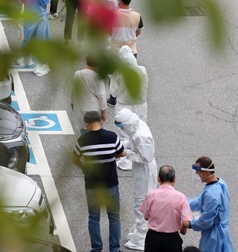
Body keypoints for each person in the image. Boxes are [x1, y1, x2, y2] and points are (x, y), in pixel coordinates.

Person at [72, 110, 126, 252]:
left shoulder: (82, 141)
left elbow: (75, 158)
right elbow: (121, 152)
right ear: (101, 121)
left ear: (87, 124)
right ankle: (114, 248)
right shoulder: (112, 137)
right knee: (114, 217)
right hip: (111, 184)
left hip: (92, 185)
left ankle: (96, 248)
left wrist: (84, 167)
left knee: (94, 217)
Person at [115, 108, 157, 250]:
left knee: (142, 202)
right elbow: (133, 145)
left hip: (145, 170)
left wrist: (126, 154)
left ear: (128, 123)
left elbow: (146, 157)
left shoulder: (141, 135)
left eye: (122, 126)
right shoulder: (136, 127)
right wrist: (124, 147)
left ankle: (142, 237)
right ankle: (140, 230)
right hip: (141, 170)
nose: (122, 129)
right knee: (140, 201)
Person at [183, 157, 234, 252]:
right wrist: (181, 201)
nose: (197, 175)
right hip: (222, 233)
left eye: (198, 172)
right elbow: (200, 200)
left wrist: (189, 224)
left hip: (214, 238)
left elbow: (205, 222)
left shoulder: (212, 195)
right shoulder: (220, 183)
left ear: (206, 172)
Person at [139, 165, 193, 252]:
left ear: (158, 179)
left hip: (153, 237)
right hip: (172, 239)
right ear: (174, 179)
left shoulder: (151, 195)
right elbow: (186, 222)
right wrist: (183, 230)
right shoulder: (180, 197)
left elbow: (146, 216)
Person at [108, 0, 144, 107]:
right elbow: (138, 32)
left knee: (114, 76)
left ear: (119, 0)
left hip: (115, 50)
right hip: (131, 50)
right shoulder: (137, 16)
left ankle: (113, 99)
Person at [71, 56, 107, 135]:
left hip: (80, 109)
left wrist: (73, 105)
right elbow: (102, 96)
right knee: (95, 132)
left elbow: (74, 91)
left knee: (83, 132)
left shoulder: (78, 74)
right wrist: (103, 112)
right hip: (94, 110)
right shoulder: (98, 77)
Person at [22, 0, 52, 76]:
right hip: (29, 16)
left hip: (40, 16)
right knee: (27, 38)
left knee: (41, 39)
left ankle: (42, 63)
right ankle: (26, 57)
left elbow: (46, 1)